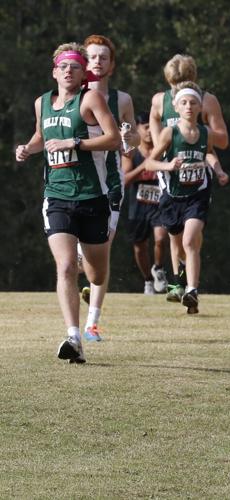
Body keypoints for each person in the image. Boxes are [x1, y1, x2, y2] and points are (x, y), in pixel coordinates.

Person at [15, 42, 121, 363]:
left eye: (75, 66)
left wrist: (75, 142)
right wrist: (27, 148)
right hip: (57, 196)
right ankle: (74, 337)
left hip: (92, 197)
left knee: (97, 275)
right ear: (54, 72)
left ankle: (90, 275)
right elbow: (41, 136)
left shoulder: (90, 99)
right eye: (63, 66)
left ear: (82, 72)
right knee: (64, 266)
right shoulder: (42, 103)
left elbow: (114, 139)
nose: (68, 71)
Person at [148, 54, 230, 300]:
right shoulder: (160, 100)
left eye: (183, 81)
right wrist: (168, 143)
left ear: (194, 78)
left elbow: (222, 140)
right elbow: (156, 134)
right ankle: (178, 280)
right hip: (170, 176)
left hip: (198, 175)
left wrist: (200, 134)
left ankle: (189, 284)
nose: (178, 88)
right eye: (174, 84)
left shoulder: (207, 100)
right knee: (174, 234)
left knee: (191, 236)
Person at [77, 34, 140, 341]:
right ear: (83, 62)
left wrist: (129, 137)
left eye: (103, 57)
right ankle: (85, 269)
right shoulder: (73, 96)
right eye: (92, 57)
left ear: (112, 65)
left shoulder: (122, 100)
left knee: (103, 250)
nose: (97, 62)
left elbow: (134, 142)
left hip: (110, 183)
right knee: (79, 260)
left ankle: (92, 323)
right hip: (76, 182)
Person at [122, 112, 169, 295]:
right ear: (138, 129)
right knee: (139, 247)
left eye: (152, 127)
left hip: (160, 204)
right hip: (138, 205)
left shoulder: (163, 150)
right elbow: (125, 180)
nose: (150, 131)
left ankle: (158, 269)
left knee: (161, 239)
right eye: (146, 127)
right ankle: (148, 280)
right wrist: (144, 166)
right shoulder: (131, 153)